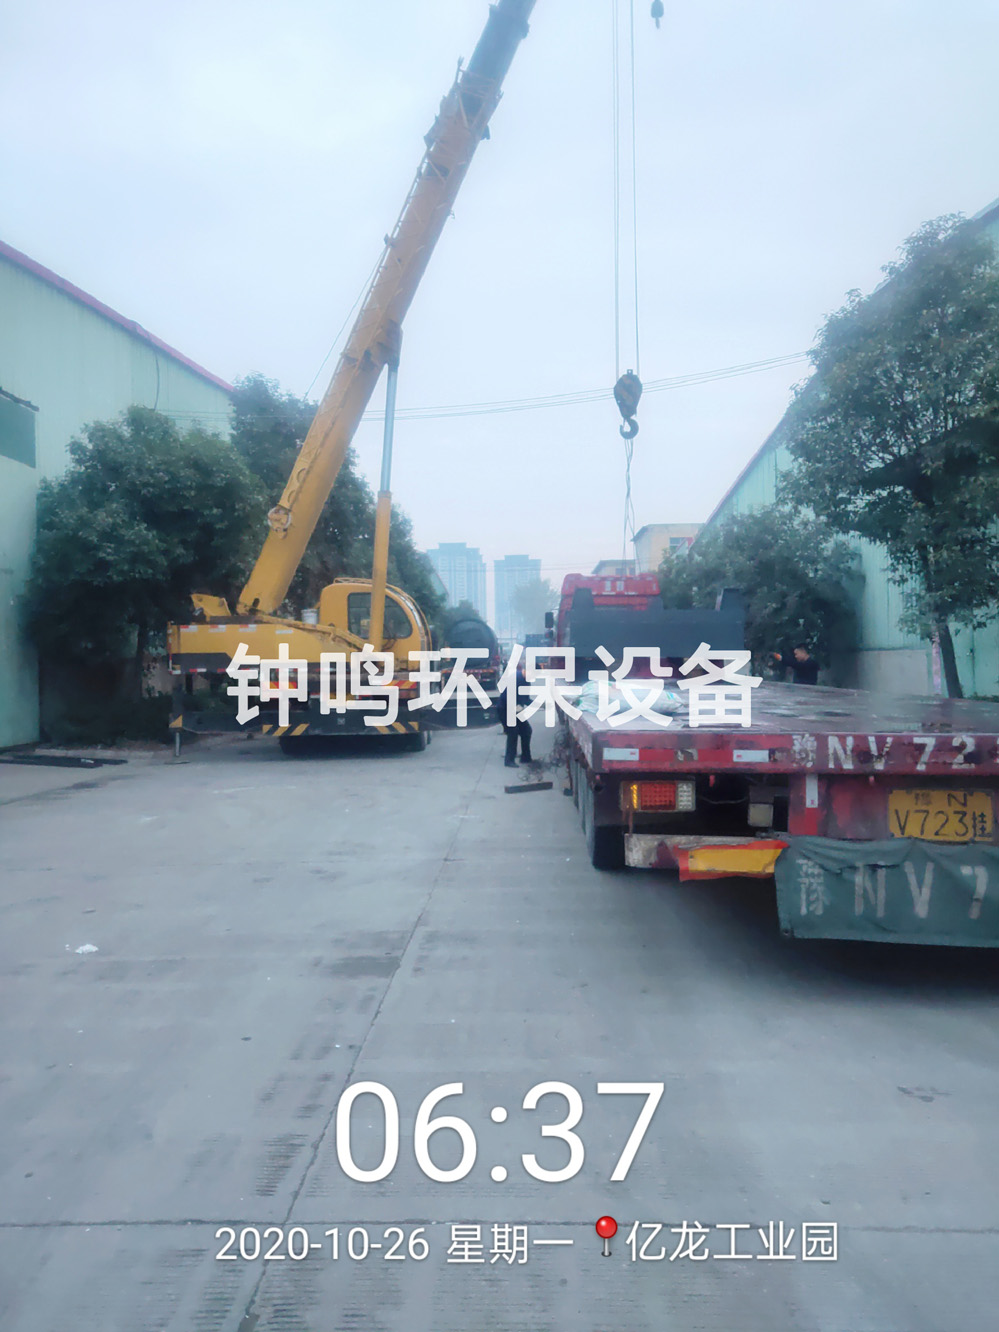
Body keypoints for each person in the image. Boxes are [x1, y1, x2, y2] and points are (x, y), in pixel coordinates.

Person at [496, 661, 533, 767]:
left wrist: (539, 704)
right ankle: (509, 760)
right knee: (513, 732)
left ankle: (525, 757)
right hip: (505, 709)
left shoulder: (526, 681)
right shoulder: (517, 678)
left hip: (514, 709)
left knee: (527, 730)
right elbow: (509, 698)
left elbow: (525, 699)